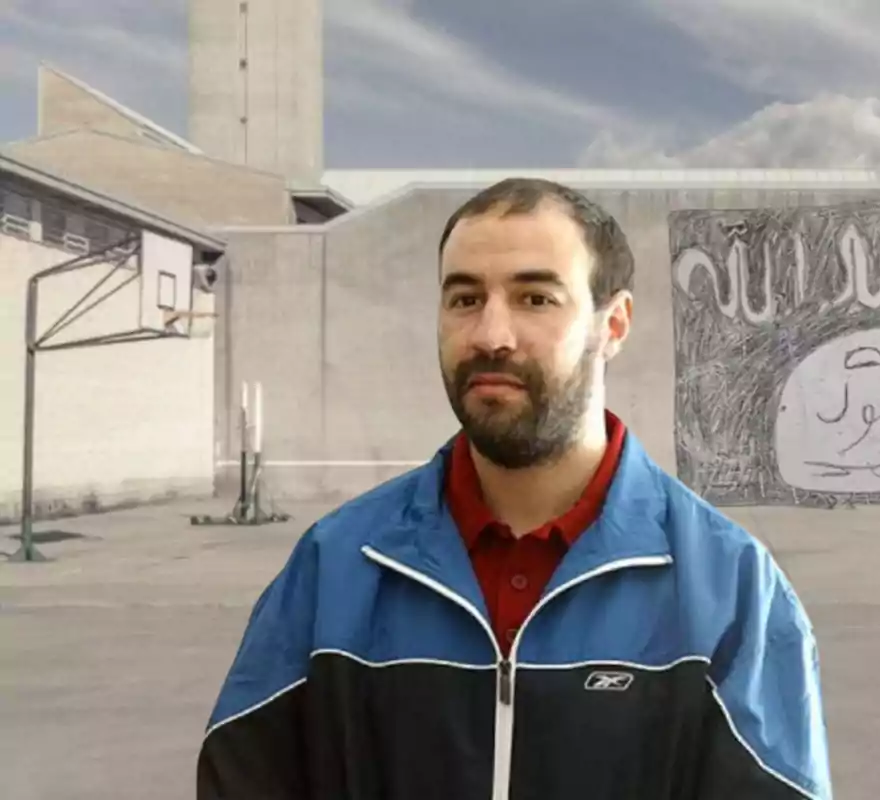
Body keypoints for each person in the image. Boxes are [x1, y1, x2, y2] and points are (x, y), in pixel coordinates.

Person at [196, 177, 833, 800]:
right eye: (465, 299)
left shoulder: (729, 588)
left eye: (535, 299)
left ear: (613, 326)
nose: (490, 335)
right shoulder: (335, 567)